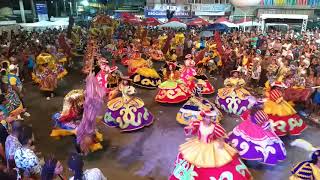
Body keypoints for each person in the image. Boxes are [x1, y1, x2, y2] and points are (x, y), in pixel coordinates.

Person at [169, 110, 252, 179]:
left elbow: (221, 135)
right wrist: (190, 128)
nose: (209, 119)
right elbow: (192, 128)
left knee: (219, 162)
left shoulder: (215, 126)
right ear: (204, 117)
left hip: (212, 146)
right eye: (207, 117)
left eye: (210, 118)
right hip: (199, 144)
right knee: (192, 162)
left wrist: (220, 142)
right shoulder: (198, 123)